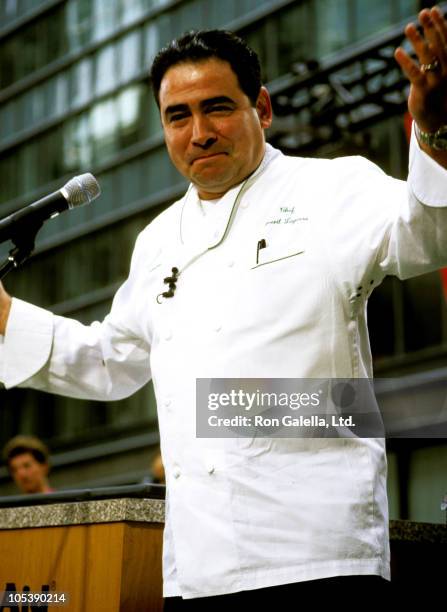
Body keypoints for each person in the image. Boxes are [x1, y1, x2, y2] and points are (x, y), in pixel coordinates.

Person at [0, 6, 447, 608]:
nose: (198, 133)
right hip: (199, 571)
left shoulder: (333, 188)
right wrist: (4, 314)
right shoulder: (157, 239)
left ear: (261, 108)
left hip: (318, 556)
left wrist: (437, 135)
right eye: (177, 116)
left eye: (217, 107)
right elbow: (113, 362)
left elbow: (430, 235)